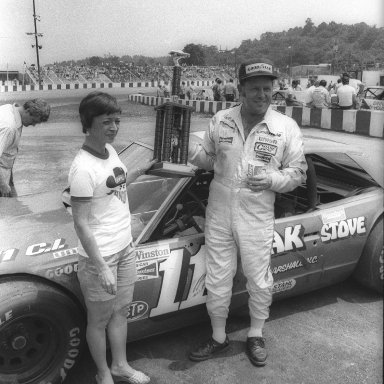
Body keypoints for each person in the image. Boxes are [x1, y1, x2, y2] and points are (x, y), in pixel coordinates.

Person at [188, 59, 307, 367]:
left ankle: (255, 334)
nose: (262, 94)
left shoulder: (285, 127)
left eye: (267, 88)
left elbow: (299, 174)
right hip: (219, 212)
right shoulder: (221, 119)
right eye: (254, 88)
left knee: (259, 278)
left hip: (257, 215)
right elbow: (207, 159)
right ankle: (218, 336)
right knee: (217, 277)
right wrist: (187, 150)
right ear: (240, 89)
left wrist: (272, 180)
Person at [69, 92, 154, 384]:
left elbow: (115, 184)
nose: (114, 127)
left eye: (117, 121)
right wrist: (102, 266)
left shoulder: (111, 151)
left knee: (120, 312)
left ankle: (120, 366)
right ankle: (103, 373)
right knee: (99, 320)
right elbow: (80, 223)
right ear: (88, 123)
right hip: (100, 257)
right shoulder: (82, 168)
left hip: (124, 247)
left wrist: (141, 171)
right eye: (106, 122)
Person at [0, 98, 50, 197]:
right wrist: (2, 184)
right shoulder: (10, 128)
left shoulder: (8, 108)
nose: (34, 125)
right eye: (34, 121)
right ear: (27, 111)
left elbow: (8, 151)